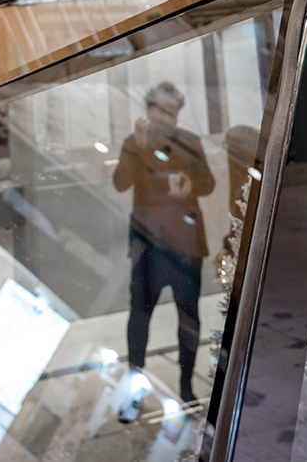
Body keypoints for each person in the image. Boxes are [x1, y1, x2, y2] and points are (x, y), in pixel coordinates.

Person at [113, 80, 215, 420]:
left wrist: (191, 182)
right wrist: (139, 147)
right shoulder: (135, 142)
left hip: (185, 245)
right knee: (140, 318)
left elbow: (208, 184)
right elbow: (121, 183)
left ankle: (186, 388)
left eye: (175, 113)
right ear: (149, 109)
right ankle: (134, 391)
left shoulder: (189, 141)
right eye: (164, 112)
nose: (170, 119)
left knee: (189, 318)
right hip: (149, 246)